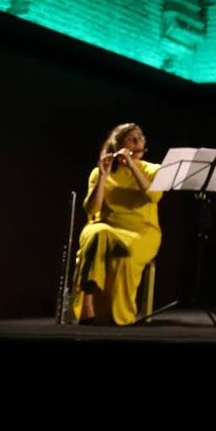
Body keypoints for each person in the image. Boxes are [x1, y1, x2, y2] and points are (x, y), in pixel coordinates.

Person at [70, 122, 163, 325]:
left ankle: (117, 316)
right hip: (105, 227)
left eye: (141, 138)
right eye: (132, 139)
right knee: (97, 233)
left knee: (125, 253)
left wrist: (132, 166)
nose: (139, 142)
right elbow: (91, 209)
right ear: (119, 144)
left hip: (142, 232)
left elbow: (153, 196)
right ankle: (87, 302)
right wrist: (103, 176)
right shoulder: (99, 172)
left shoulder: (153, 170)